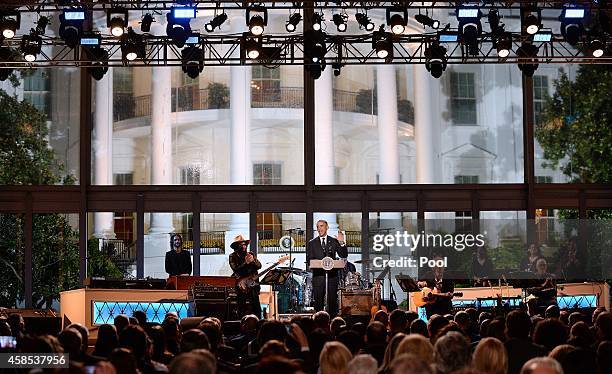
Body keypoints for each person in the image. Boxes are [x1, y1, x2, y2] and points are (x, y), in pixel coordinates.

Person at [306, 220, 348, 316]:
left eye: (321, 226)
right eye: (318, 226)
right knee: (318, 304)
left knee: (332, 303)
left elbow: (343, 254)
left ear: (327, 227)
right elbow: (309, 260)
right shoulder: (312, 243)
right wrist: (318, 263)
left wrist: (341, 243)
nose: (319, 228)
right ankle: (318, 324)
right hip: (318, 277)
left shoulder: (333, 241)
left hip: (331, 277)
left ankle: (332, 323)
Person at [229, 234, 263, 318]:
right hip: (242, 286)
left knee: (257, 308)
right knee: (241, 308)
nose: (244, 246)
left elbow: (259, 266)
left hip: (253, 285)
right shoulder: (232, 256)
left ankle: (258, 323)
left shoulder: (250, 254)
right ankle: (241, 324)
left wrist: (252, 261)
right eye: (241, 244)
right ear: (237, 246)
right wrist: (246, 263)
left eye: (245, 244)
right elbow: (236, 269)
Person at [417, 254, 455, 318]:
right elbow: (418, 284)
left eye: (441, 265)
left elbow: (450, 293)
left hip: (445, 310)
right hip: (431, 311)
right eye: (437, 265)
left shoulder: (449, 277)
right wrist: (421, 284)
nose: (439, 268)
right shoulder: (427, 275)